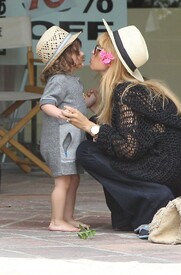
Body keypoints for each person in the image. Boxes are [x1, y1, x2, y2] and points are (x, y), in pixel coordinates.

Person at [61, 19, 181, 238]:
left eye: (98, 49)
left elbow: (128, 148)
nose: (91, 53)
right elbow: (130, 135)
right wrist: (94, 118)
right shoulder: (132, 89)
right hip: (169, 171)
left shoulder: (129, 93)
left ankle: (155, 198)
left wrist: (89, 126)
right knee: (97, 146)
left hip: (164, 174)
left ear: (111, 60)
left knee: (87, 152)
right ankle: (129, 215)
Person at [36, 26, 93, 232]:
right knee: (63, 182)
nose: (83, 53)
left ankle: (67, 217)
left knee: (73, 180)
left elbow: (75, 105)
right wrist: (60, 114)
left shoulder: (70, 80)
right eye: (77, 50)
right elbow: (45, 103)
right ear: (64, 58)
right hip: (60, 141)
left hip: (70, 141)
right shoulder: (58, 80)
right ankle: (56, 220)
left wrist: (91, 100)